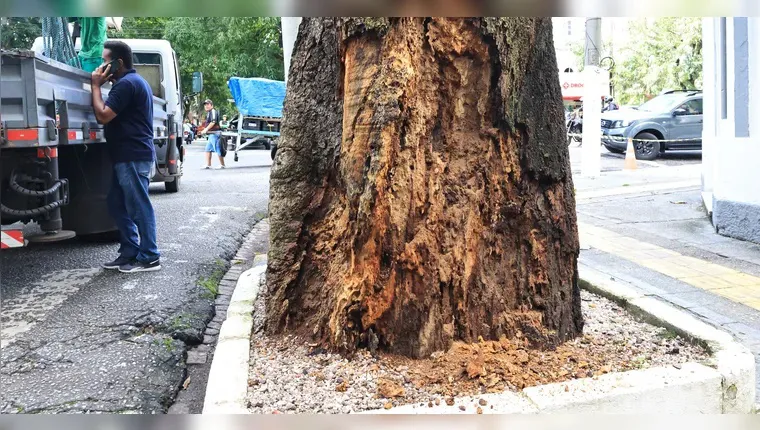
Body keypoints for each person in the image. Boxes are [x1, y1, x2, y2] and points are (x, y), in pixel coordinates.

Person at [91, 40, 161, 273]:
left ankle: (150, 256)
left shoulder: (127, 84)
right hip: (127, 155)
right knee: (117, 202)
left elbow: (103, 116)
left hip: (132, 155)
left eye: (104, 60)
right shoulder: (131, 82)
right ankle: (130, 250)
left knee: (138, 205)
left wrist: (95, 86)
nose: (101, 65)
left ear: (117, 62)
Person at [200, 99, 225, 169]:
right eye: (205, 105)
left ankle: (222, 164)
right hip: (211, 134)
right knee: (208, 149)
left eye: (208, 104)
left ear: (212, 105)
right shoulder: (209, 113)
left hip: (215, 133)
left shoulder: (213, 111)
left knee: (218, 148)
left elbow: (213, 122)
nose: (206, 106)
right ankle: (208, 164)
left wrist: (206, 129)